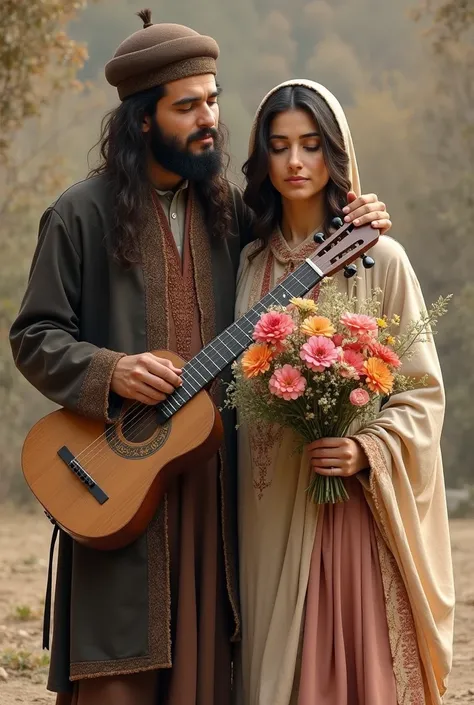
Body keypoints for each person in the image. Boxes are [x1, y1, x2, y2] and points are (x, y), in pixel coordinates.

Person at [9, 7, 392, 703]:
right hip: (116, 482)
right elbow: (34, 336)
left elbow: (301, 236)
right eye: (188, 106)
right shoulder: (80, 214)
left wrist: (354, 213)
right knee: (118, 673)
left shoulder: (229, 212)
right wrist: (112, 369)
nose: (209, 117)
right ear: (143, 120)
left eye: (213, 100)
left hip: (215, 487)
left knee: (210, 668)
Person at [235, 80, 455, 705]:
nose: (296, 162)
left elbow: (421, 392)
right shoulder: (249, 262)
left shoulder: (379, 258)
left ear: (336, 154)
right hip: (260, 510)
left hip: (343, 509)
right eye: (279, 147)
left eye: (310, 145)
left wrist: (366, 451)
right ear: (264, 158)